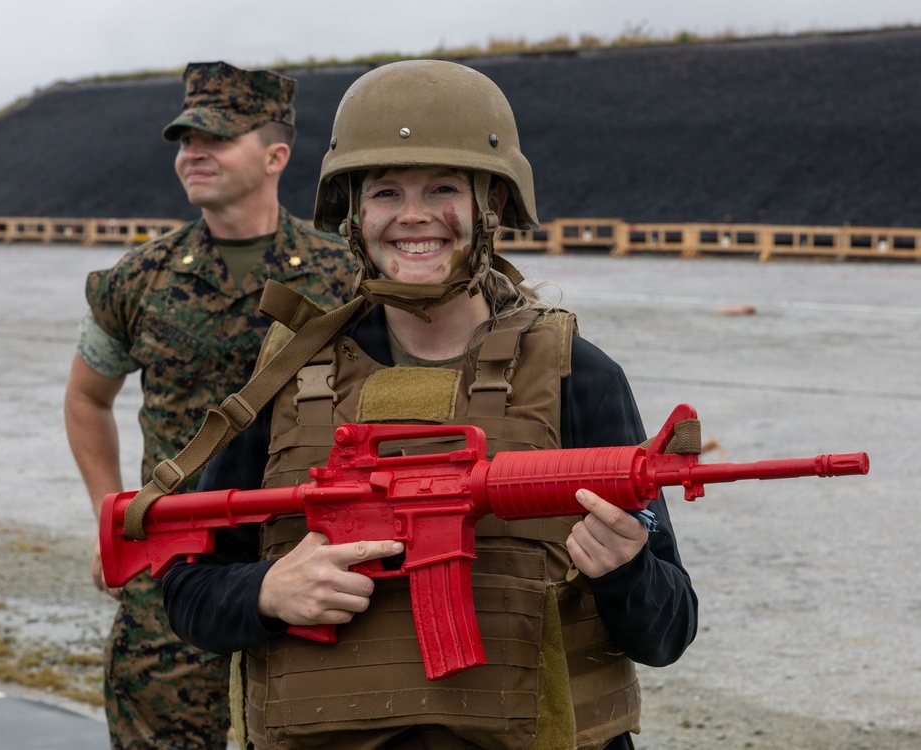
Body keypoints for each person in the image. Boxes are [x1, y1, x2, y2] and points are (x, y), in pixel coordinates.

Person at [162, 59, 698, 750]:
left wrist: (627, 571)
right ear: (355, 214)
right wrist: (266, 592)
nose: (413, 217)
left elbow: (668, 632)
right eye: (386, 192)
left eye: (443, 188)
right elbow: (186, 593)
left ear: (492, 206)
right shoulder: (289, 374)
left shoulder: (576, 376)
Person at [64, 61, 358, 749]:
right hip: (174, 567)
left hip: (309, 560)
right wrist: (112, 516)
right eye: (184, 140)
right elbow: (86, 398)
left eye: (217, 138)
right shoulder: (136, 281)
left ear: (276, 154)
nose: (193, 153)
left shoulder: (346, 274)